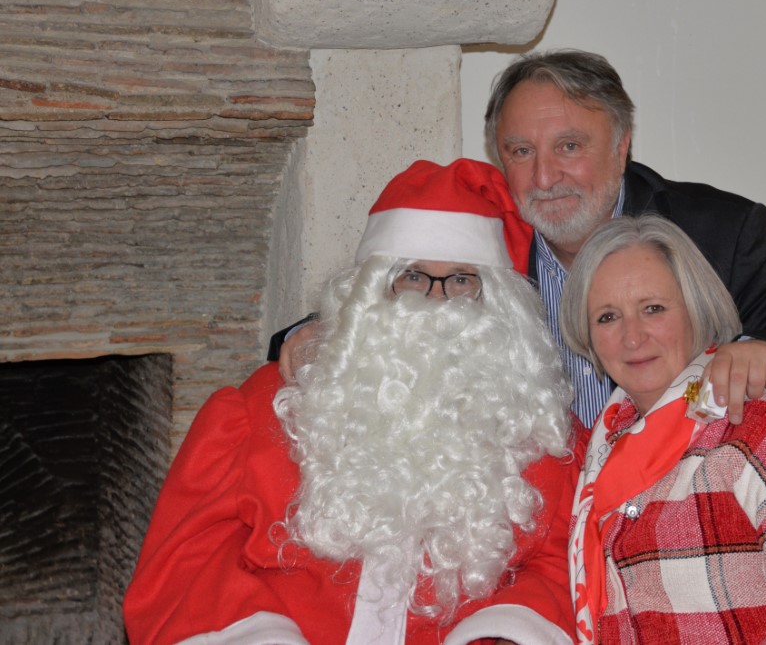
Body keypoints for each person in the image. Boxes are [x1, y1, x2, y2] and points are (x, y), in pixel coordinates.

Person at [271, 49, 766, 429]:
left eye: (569, 146)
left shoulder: (722, 233)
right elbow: (362, 309)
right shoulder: (486, 238)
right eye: (521, 152)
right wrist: (308, 338)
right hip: (537, 533)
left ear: (621, 145)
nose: (544, 178)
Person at [123, 159, 580, 645]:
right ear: (369, 293)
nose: (435, 301)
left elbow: (561, 566)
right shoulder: (261, 408)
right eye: (412, 277)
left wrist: (505, 635)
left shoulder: (542, 432)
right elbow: (185, 559)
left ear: (499, 304)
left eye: (462, 280)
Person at [560, 214, 766, 644]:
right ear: (587, 337)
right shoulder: (600, 447)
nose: (632, 337)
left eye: (653, 308)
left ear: (696, 308)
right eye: (607, 317)